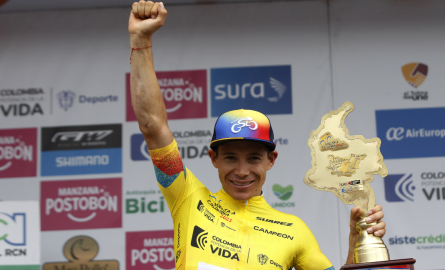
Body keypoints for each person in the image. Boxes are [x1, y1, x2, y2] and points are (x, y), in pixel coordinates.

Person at [128, 1, 386, 269]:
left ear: (271, 160)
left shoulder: (294, 231)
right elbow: (152, 126)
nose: (242, 171)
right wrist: (140, 38)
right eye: (230, 158)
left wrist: (357, 242)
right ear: (213, 158)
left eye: (253, 158)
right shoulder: (187, 197)